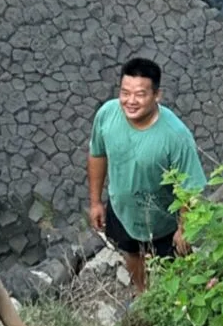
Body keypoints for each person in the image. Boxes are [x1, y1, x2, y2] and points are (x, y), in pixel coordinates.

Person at [86, 56, 207, 293]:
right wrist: (95, 202)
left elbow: (190, 188)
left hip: (165, 223)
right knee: (130, 251)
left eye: (140, 94)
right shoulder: (107, 115)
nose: (130, 101)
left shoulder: (176, 137)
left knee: (178, 270)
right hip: (122, 210)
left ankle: (178, 304)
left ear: (157, 96)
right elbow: (97, 154)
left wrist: (184, 228)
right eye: (125, 92)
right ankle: (142, 292)